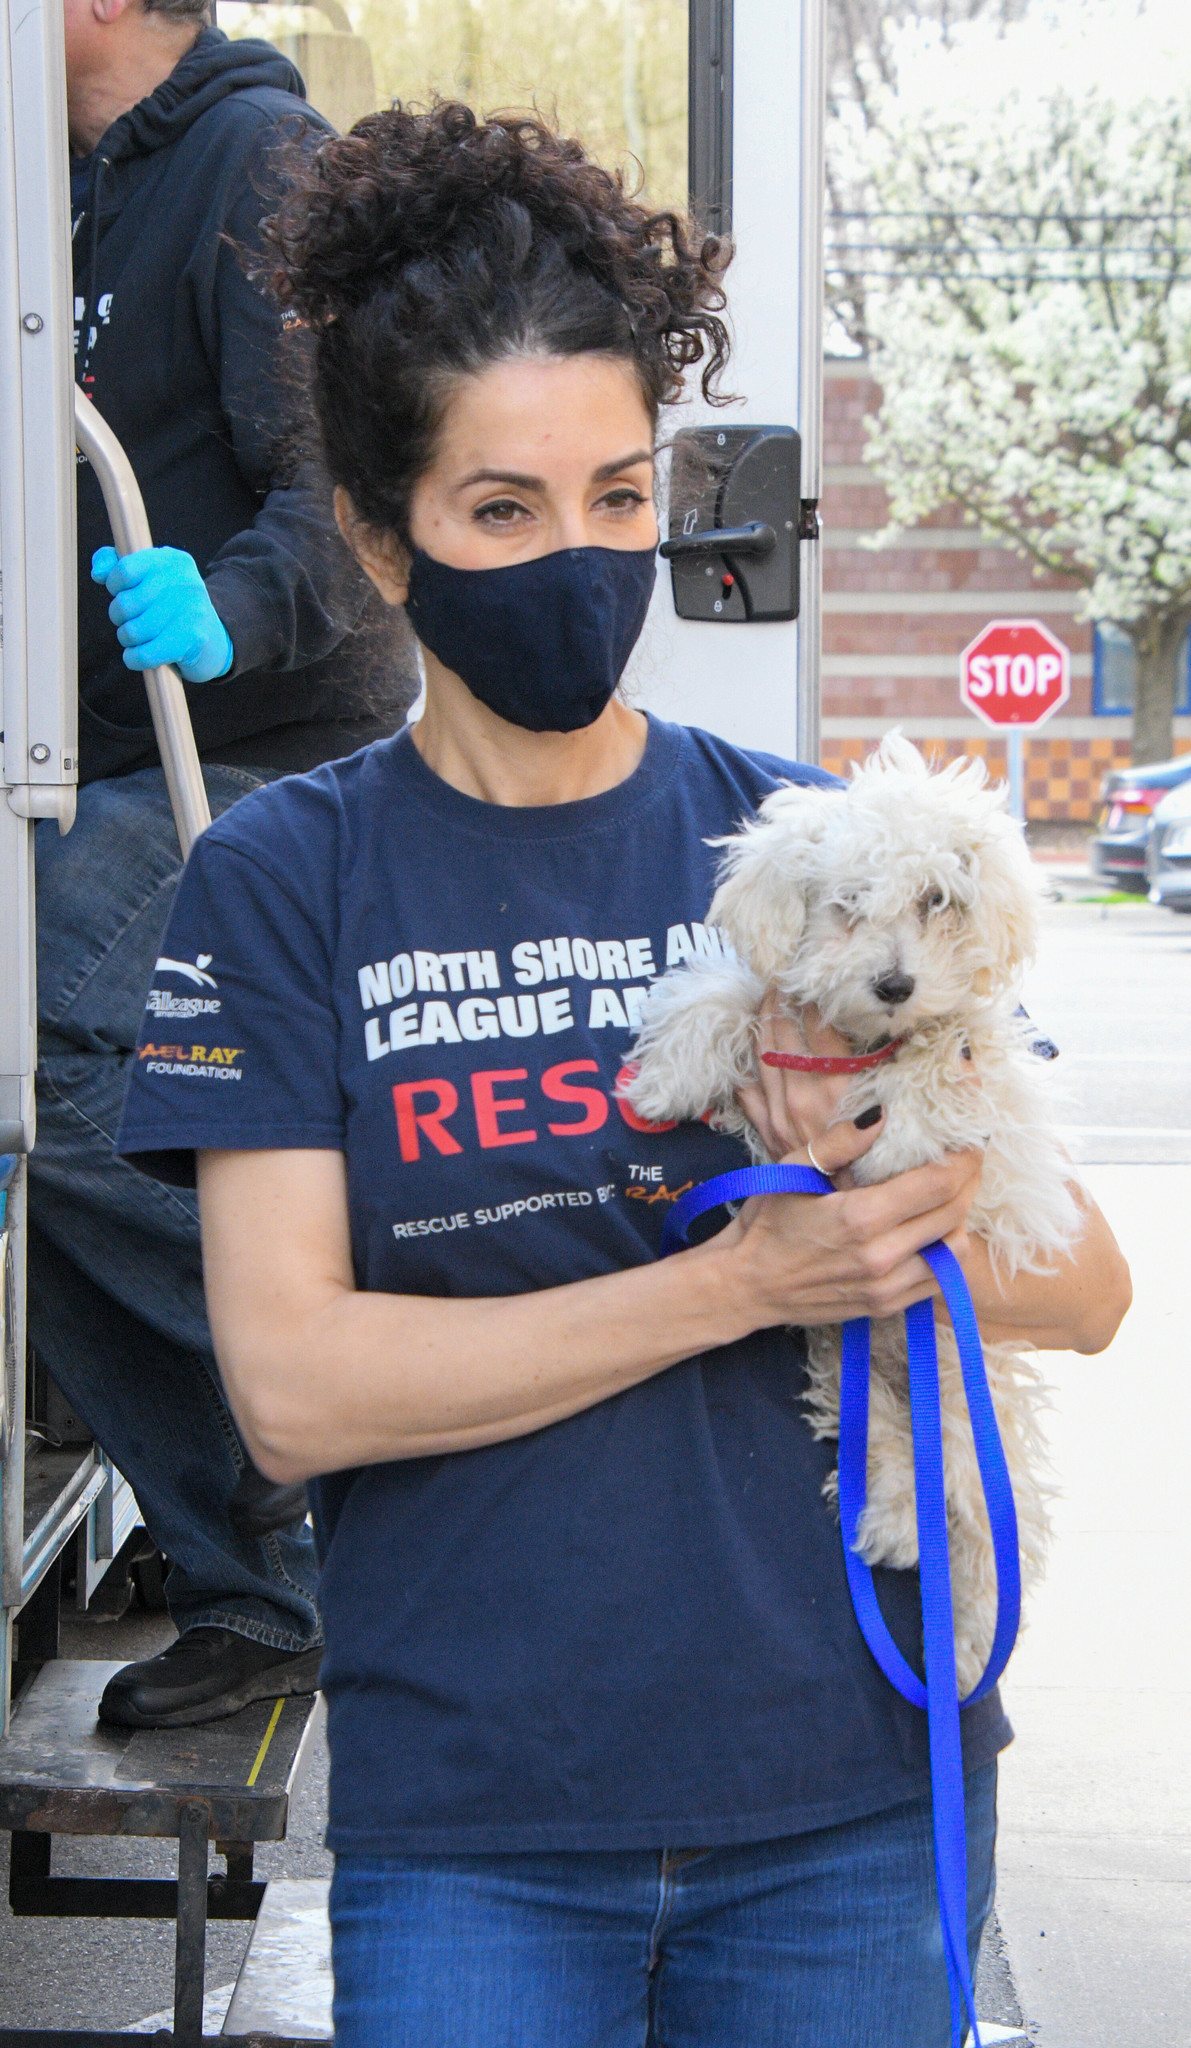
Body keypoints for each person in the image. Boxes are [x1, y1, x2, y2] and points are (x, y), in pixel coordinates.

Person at [114, 105, 1131, 2046]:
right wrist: (736, 1284)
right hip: (479, 1824)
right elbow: (295, 1386)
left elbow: (1082, 1291)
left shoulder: (814, 850)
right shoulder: (281, 882)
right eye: (500, 511)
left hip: (842, 1779)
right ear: (370, 529)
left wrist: (853, 1163)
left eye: (614, 494)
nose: (576, 558)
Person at [29, 0, 415, 1728]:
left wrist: (220, 618)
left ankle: (305, 1523)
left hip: (264, 753)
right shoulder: (59, 182)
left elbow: (346, 489)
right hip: (90, 763)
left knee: (44, 1066)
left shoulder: (260, 162)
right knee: (54, 1122)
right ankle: (260, 1543)